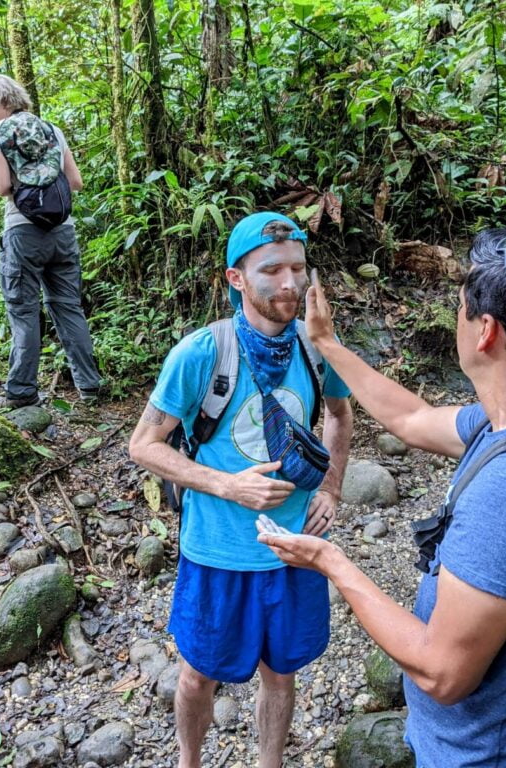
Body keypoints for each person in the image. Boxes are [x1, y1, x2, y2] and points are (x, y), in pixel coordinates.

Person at [257, 226, 506, 766]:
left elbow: (442, 673)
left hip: (496, 754)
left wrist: (334, 564)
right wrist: (327, 344)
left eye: (462, 306)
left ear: (486, 331)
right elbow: (413, 418)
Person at [128, 212, 354, 768]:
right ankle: (189, 761)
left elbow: (341, 416)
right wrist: (227, 485)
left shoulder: (316, 344)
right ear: (236, 279)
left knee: (282, 673)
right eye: (271, 269)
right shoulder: (202, 353)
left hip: (293, 550)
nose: (289, 284)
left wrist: (331, 489)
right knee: (198, 672)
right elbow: (144, 445)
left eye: (298, 269)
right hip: (218, 553)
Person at [0, 74, 103, 407]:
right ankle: (89, 387)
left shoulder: (0, 132)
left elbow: (4, 187)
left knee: (24, 312)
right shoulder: (52, 129)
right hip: (62, 231)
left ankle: (21, 392)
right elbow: (75, 181)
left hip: (23, 231)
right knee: (68, 307)